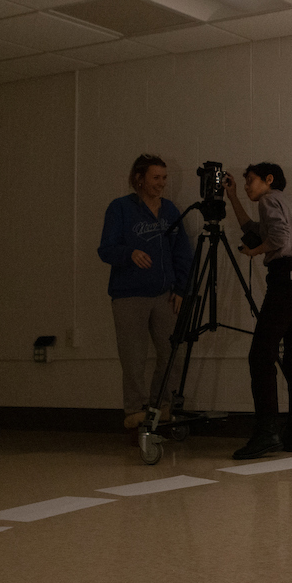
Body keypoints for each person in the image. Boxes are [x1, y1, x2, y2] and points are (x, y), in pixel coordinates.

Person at [223, 162, 292, 460]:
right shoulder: (282, 202)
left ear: (268, 179)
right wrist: (234, 198)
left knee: (260, 354)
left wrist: (254, 252)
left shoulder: (268, 199)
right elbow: (254, 230)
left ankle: (266, 433)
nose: (248, 186)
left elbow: (277, 238)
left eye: (250, 181)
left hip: (285, 281)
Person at [98, 154, 192, 433]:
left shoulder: (170, 211)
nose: (161, 184)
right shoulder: (120, 209)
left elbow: (182, 252)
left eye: (164, 178)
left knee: (172, 351)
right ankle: (135, 412)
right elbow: (106, 249)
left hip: (165, 295)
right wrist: (130, 253)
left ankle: (161, 406)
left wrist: (180, 289)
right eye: (156, 178)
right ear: (139, 179)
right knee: (133, 357)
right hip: (130, 296)